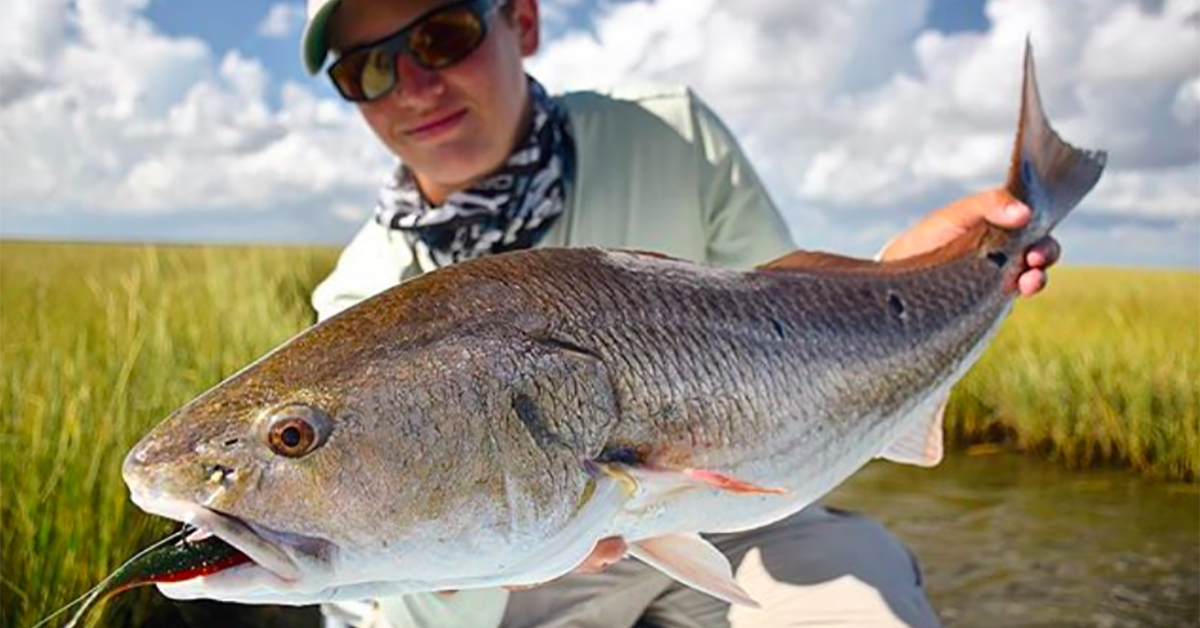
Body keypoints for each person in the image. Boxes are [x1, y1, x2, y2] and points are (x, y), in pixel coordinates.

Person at [299, 0, 1061, 626]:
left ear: (522, 20)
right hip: (513, 586)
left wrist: (904, 280)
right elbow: (379, 596)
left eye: (442, 35)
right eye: (366, 69)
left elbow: (785, 311)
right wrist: (480, 561)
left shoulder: (669, 134)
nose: (413, 87)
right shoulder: (354, 300)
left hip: (746, 512)